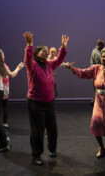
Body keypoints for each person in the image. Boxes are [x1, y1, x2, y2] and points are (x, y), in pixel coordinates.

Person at [23, 31, 69, 165]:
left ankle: (52, 150)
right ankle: (36, 155)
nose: (46, 53)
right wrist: (29, 45)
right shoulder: (32, 65)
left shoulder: (49, 65)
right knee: (38, 131)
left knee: (52, 129)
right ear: (36, 53)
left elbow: (59, 60)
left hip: (49, 103)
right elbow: (27, 58)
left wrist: (63, 47)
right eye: (43, 51)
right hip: (35, 103)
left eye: (47, 51)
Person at [90, 39, 105, 105]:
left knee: (98, 89)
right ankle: (94, 102)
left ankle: (94, 101)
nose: (104, 47)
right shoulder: (96, 52)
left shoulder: (98, 51)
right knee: (98, 89)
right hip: (96, 73)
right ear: (100, 45)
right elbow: (101, 60)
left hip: (97, 73)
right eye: (103, 45)